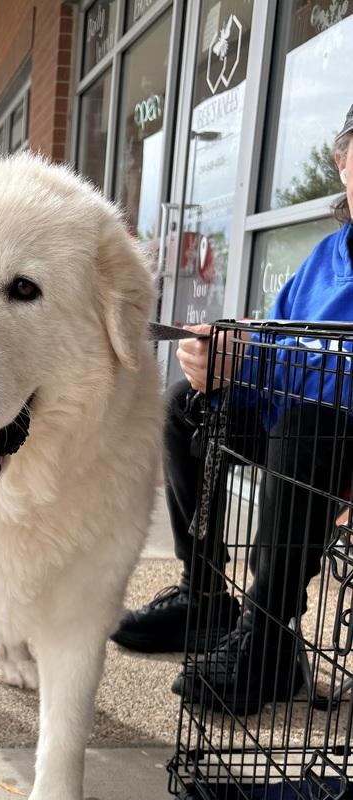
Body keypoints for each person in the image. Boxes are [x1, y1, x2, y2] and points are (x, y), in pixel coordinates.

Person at [112, 103, 353, 716]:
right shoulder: (328, 255)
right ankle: (205, 598)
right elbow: (273, 357)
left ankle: (268, 643)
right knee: (184, 406)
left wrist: (260, 360)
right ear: (342, 162)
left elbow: (323, 370)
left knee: (309, 423)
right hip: (304, 433)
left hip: (334, 441)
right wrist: (222, 368)